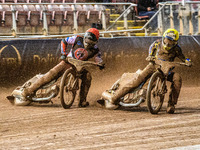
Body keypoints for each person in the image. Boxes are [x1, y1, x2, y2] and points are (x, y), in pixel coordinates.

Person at [104, 28, 192, 114]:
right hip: (153, 66)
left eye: (171, 42)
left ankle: (171, 104)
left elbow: (184, 58)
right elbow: (151, 50)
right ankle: (115, 98)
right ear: (163, 38)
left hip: (167, 70)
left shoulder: (177, 49)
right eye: (167, 40)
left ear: (175, 42)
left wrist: (187, 61)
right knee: (137, 81)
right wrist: (150, 56)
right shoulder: (157, 43)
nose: (168, 43)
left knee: (177, 78)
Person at [22, 28, 104, 107]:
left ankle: (82, 100)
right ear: (85, 37)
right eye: (88, 40)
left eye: (91, 42)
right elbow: (64, 41)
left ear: (95, 42)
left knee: (88, 77)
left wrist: (100, 64)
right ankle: (29, 91)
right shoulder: (77, 38)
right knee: (50, 74)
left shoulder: (96, 50)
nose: (89, 43)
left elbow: (98, 59)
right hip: (68, 62)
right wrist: (63, 54)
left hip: (80, 67)